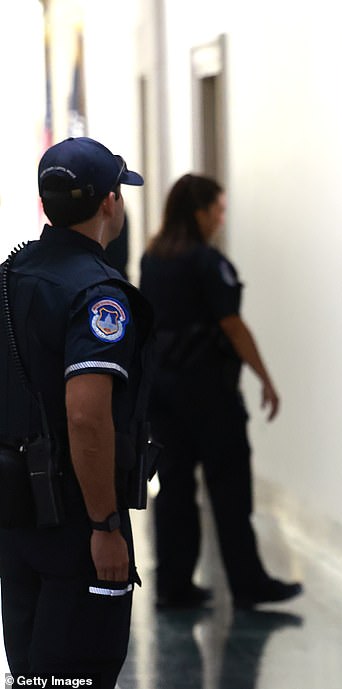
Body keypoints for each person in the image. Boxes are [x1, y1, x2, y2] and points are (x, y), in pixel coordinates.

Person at [0, 137, 149, 686]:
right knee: (78, 672)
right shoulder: (98, 295)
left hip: (16, 520)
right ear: (110, 202)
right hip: (77, 521)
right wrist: (105, 525)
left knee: (34, 674)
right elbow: (86, 417)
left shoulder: (9, 276)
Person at [139, 173, 301, 609]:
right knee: (229, 490)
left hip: (165, 398)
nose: (221, 219)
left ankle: (173, 584)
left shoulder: (151, 260)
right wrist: (265, 377)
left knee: (174, 490)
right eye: (218, 210)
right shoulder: (208, 263)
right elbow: (231, 325)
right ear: (200, 212)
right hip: (210, 396)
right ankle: (247, 584)